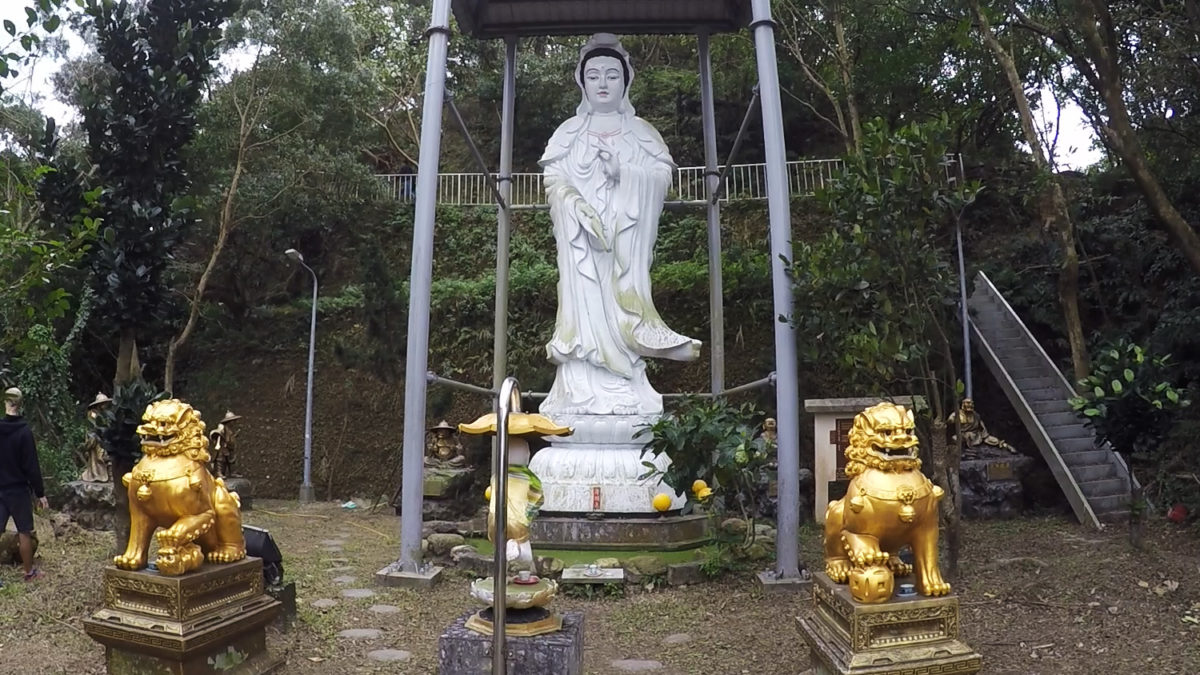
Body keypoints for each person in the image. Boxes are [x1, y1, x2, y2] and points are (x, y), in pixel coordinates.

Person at [538, 33, 700, 417]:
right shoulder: (567, 133)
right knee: (583, 305)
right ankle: (579, 384)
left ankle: (627, 376)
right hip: (582, 245)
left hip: (624, 241)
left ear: (625, 81)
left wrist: (624, 172)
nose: (603, 83)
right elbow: (553, 180)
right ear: (582, 82)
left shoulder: (641, 132)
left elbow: (660, 175)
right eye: (594, 75)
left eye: (612, 74)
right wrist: (575, 206)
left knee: (621, 300)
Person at [0, 387, 48, 581]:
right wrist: (40, 493)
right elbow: (31, 466)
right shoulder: (25, 432)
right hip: (18, 489)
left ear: (5, 403)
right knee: (24, 531)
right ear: (20, 405)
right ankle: (28, 572)